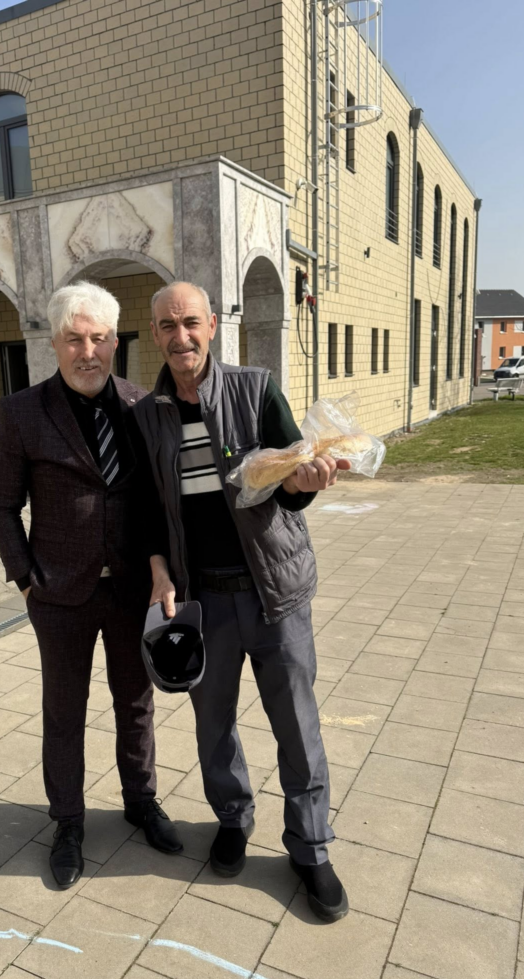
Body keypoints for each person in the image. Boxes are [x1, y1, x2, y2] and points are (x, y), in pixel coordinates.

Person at [133, 281, 351, 923]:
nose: (181, 337)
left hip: (273, 592)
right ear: (155, 334)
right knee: (213, 723)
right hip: (203, 599)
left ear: (212, 325)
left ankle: (310, 847)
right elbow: (146, 507)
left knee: (298, 726)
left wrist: (307, 482)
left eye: (190, 323)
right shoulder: (148, 415)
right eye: (167, 325)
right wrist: (158, 569)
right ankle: (233, 817)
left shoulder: (256, 389)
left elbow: (292, 481)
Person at [0, 282, 182, 889]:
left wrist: (161, 568)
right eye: (75, 339)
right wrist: (25, 581)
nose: (88, 352)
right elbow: (2, 507)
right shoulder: (22, 411)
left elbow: (155, 498)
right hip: (59, 595)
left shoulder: (142, 405)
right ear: (55, 343)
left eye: (99, 338)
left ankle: (141, 801)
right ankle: (67, 823)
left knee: (136, 703)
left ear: (115, 342)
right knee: (64, 712)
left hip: (130, 589)